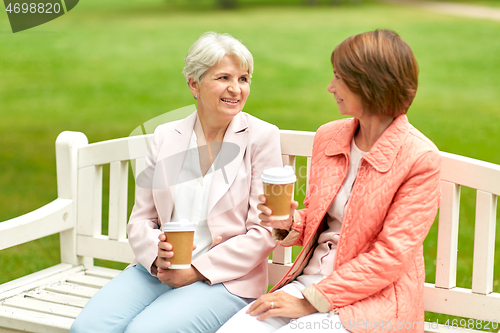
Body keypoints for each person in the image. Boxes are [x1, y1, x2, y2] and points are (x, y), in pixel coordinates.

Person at [217, 29, 441, 333]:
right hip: (309, 284)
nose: (330, 87)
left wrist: (310, 302)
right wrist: (287, 222)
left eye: (339, 77)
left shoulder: (419, 157)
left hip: (373, 302)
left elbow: (390, 256)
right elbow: (321, 220)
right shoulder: (330, 137)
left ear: (370, 83)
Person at [70, 32, 282, 333]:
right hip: (159, 271)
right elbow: (142, 218)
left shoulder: (261, 137)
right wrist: (158, 257)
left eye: (244, 78)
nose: (236, 89)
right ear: (194, 84)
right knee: (87, 328)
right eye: (223, 77)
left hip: (224, 280)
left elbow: (264, 231)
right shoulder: (166, 136)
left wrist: (195, 270)